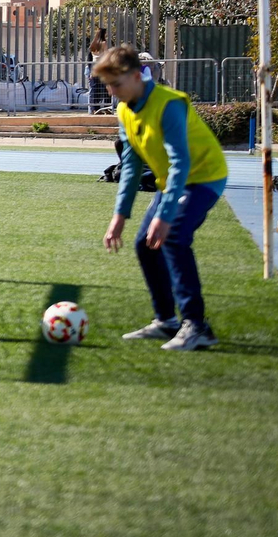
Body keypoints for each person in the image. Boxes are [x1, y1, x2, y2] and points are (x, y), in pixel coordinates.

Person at [96, 44, 227, 352]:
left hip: (203, 177)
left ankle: (197, 326)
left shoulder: (169, 104)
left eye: (116, 84)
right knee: (145, 244)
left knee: (173, 238)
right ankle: (166, 320)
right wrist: (119, 216)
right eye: (108, 86)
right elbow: (130, 164)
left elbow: (181, 162)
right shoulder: (124, 109)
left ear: (135, 75)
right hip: (173, 183)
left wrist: (165, 216)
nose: (112, 92)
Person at [88, 27, 111, 112]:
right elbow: (106, 55)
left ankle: (95, 108)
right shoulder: (103, 43)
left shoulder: (93, 44)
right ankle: (107, 107)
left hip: (94, 67)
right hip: (101, 66)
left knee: (95, 89)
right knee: (106, 87)